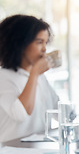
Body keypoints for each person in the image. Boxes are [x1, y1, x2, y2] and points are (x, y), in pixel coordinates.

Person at [0, 14, 59, 143]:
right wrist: (34, 74)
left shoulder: (40, 77)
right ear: (20, 44)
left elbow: (58, 110)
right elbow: (21, 114)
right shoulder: (3, 77)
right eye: (39, 42)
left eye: (45, 42)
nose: (44, 49)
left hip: (38, 152)